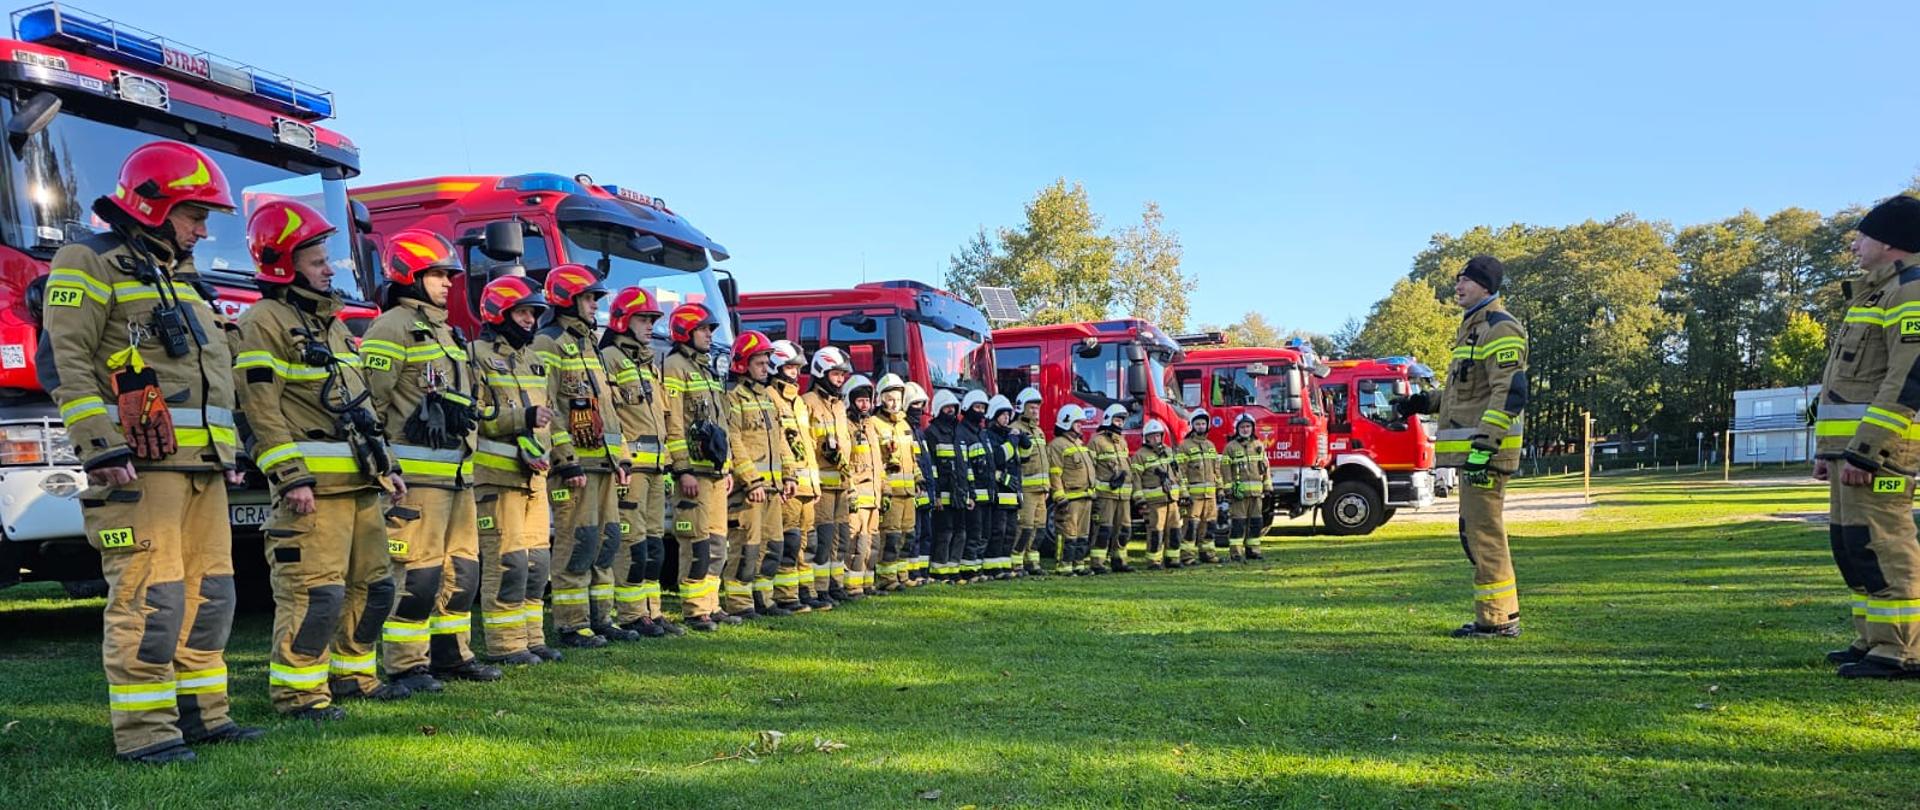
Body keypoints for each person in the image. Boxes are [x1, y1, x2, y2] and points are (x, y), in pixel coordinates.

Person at [44, 143, 258, 762]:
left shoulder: (186, 279)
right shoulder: (89, 260)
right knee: (151, 599)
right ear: (155, 206)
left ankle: (205, 717)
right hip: (138, 471)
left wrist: (231, 449)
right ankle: (146, 733)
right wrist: (99, 446)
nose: (203, 228)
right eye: (195, 214)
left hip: (203, 470)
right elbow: (67, 361)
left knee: (211, 596)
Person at [238, 200, 413, 720]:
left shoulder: (334, 327)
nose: (329, 269)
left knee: (375, 587)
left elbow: (359, 407)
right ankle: (299, 695)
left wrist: (388, 467)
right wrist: (290, 476)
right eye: (317, 261)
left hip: (360, 486)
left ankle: (355, 675)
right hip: (312, 491)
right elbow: (259, 407)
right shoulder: (262, 322)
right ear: (283, 263)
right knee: (316, 596)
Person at [362, 229, 499, 691]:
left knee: (460, 573)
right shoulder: (391, 327)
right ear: (410, 275)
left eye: (448, 275)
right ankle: (406, 665)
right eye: (438, 275)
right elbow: (371, 406)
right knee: (416, 578)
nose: (447, 284)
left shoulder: (449, 332)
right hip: (415, 482)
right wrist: (383, 471)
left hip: (458, 479)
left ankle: (450, 655)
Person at [1808, 195, 1920, 678]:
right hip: (1848, 453)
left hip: (1879, 454)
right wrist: (1828, 451)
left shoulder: (1910, 294)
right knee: (1853, 545)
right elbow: (1845, 385)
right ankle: (1873, 640)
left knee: (1884, 544)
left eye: (1862, 235)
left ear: (1891, 240)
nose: (1854, 243)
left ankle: (1903, 651)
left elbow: (1908, 379)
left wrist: (1869, 451)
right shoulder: (1874, 295)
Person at [1397, 254, 1528, 639]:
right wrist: (1422, 403)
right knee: (1475, 532)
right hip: (1476, 452)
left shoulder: (1500, 328)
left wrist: (1485, 446)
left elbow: (1510, 393)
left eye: (1466, 280)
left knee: (1484, 534)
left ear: (1486, 286)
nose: (1458, 286)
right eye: (1458, 279)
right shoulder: (1472, 329)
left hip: (1486, 453)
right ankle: (1497, 617)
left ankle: (1498, 620)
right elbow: (1464, 394)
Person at [531, 265, 634, 645]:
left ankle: (600, 618)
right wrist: (564, 458)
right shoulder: (549, 342)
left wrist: (621, 457)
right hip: (575, 467)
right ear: (568, 299)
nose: (595, 306)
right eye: (590, 298)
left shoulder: (590, 345)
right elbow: (548, 407)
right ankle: (572, 623)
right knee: (578, 542)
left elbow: (608, 410)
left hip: (603, 464)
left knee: (606, 540)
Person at [468, 276, 561, 665]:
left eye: (533, 313)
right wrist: (519, 417)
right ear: (499, 312)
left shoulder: (533, 360)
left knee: (537, 564)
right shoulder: (475, 355)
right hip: (496, 479)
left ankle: (532, 638)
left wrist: (550, 455)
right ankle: (506, 645)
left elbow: (548, 422)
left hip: (534, 479)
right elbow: (474, 413)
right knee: (508, 563)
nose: (529, 320)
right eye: (522, 312)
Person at [602, 286, 682, 636]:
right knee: (632, 545)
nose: (651, 326)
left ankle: (652, 611)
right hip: (629, 469)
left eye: (652, 319)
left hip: (654, 469)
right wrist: (620, 459)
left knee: (653, 546)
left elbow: (662, 419)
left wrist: (667, 462)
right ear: (623, 320)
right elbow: (610, 416)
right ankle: (632, 614)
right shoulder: (610, 359)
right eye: (644, 319)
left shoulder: (648, 364)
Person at [662, 302, 734, 631]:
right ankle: (694, 608)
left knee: (717, 543)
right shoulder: (675, 366)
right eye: (704, 329)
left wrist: (728, 467)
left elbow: (721, 424)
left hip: (716, 473)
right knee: (697, 544)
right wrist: (682, 469)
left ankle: (711, 603)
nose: (709, 335)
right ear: (686, 331)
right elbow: (674, 423)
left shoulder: (708, 369)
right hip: (694, 474)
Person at [721, 330, 798, 619]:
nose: (766, 369)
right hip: (750, 490)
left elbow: (780, 442)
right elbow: (734, 441)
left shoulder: (768, 398)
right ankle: (740, 603)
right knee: (747, 549)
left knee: (773, 547)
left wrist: (789, 475)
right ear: (743, 364)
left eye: (767, 363)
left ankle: (763, 598)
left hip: (774, 489)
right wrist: (751, 480)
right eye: (760, 363)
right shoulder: (733, 397)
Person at [767, 340, 829, 612]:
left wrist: (815, 483)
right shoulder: (770, 396)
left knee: (807, 543)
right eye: (789, 367)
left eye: (796, 368)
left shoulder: (800, 403)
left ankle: (805, 591)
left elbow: (808, 446)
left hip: (806, 486)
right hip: (787, 486)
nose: (794, 372)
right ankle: (786, 595)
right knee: (789, 542)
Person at [803, 348, 856, 602]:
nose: (839, 379)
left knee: (841, 538)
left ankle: (836, 585)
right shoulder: (808, 402)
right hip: (822, 484)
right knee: (822, 540)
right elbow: (805, 443)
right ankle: (820, 588)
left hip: (842, 484)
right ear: (821, 372)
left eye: (842, 375)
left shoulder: (839, 406)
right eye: (835, 374)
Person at [875, 374, 922, 591]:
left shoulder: (904, 424)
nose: (894, 403)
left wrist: (918, 479)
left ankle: (902, 575)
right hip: (891, 492)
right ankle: (887, 578)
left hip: (908, 491)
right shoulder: (875, 424)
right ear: (881, 398)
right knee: (891, 536)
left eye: (897, 399)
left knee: (907, 535)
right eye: (890, 399)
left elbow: (913, 457)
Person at [842, 375, 886, 598]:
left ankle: (868, 583)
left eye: (867, 400)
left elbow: (879, 464)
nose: (864, 405)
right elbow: (846, 463)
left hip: (874, 497)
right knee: (855, 543)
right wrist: (850, 493)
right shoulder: (846, 426)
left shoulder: (870, 426)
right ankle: (852, 586)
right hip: (858, 496)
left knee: (872, 542)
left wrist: (884, 491)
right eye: (859, 400)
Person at [926, 390, 972, 582]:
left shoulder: (958, 432)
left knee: (960, 532)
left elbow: (965, 466)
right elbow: (932, 467)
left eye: (953, 407)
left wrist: (969, 493)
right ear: (938, 409)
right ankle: (940, 571)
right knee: (944, 533)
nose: (951, 411)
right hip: (943, 494)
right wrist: (935, 494)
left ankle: (954, 570)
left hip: (960, 493)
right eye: (947, 407)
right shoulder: (932, 433)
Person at [1047, 406, 1096, 576]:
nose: (1080, 426)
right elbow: (1055, 472)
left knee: (1082, 534)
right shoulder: (1057, 445)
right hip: (1070, 498)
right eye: (1077, 422)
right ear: (1067, 422)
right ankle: (1064, 565)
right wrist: (1059, 496)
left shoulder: (1080, 444)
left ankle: (1079, 564)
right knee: (1067, 533)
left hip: (1085, 496)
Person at [1132, 419, 1184, 569]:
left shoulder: (1168, 451)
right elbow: (1136, 480)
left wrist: (1183, 494)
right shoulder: (1140, 456)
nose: (1156, 439)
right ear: (1146, 438)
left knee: (1174, 530)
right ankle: (1154, 561)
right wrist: (1140, 501)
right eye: (1152, 436)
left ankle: (1172, 559)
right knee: (1156, 532)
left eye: (1158, 436)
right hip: (1154, 502)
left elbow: (1177, 474)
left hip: (1172, 499)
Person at [1089, 403, 1134, 574]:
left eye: (1122, 420)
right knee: (1103, 529)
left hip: (1123, 496)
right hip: (1105, 495)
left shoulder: (1122, 442)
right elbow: (1091, 469)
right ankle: (1097, 562)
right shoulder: (1096, 441)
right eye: (1117, 419)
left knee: (1124, 529)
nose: (1120, 423)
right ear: (1108, 419)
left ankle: (1119, 560)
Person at [1011, 388, 1051, 576]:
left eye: (1037, 408)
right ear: (1022, 408)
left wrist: (1048, 485)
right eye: (1031, 407)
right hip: (1026, 489)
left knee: (1039, 528)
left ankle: (1032, 562)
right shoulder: (1016, 429)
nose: (1035, 411)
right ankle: (1016, 563)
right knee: (1024, 527)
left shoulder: (1040, 431)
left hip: (1041, 490)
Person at [1177, 410, 1225, 564]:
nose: (1201, 426)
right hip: (1193, 496)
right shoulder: (1184, 446)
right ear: (1192, 426)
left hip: (1210, 496)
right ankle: (1187, 556)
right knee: (1191, 526)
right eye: (1197, 424)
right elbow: (1180, 471)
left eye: (1203, 423)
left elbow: (1217, 471)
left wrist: (1220, 489)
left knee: (1210, 525)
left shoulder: (1210, 446)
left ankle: (1208, 554)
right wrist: (1184, 493)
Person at [957, 390, 995, 582]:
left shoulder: (982, 433)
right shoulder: (962, 432)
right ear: (967, 409)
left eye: (982, 408)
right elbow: (965, 466)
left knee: (984, 533)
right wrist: (969, 493)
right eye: (977, 407)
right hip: (974, 495)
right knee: (974, 533)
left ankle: (978, 568)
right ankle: (969, 570)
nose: (980, 411)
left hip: (987, 494)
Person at [1222, 414, 1270, 562]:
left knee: (1256, 523)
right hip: (1239, 494)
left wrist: (1267, 486)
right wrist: (1229, 489)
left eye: (1248, 426)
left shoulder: (1258, 445)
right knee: (1238, 523)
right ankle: (1236, 554)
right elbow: (1225, 469)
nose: (1245, 429)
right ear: (1237, 429)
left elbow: (1265, 467)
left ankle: (1253, 551)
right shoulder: (1230, 447)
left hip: (1256, 494)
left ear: (1253, 428)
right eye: (1242, 427)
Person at [984, 395, 1022, 579]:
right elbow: (998, 458)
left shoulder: (1008, 435)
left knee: (1010, 531)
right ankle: (993, 567)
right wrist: (1012, 443)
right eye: (1003, 414)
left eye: (1008, 414)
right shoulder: (988, 435)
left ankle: (1005, 566)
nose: (1007, 418)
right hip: (999, 493)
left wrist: (1023, 442)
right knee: (998, 531)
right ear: (994, 415)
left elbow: (1022, 459)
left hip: (1012, 493)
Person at [904, 383, 937, 584]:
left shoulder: (919, 431)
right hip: (913, 490)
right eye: (914, 404)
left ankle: (922, 573)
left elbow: (927, 464)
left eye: (920, 404)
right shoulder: (906, 429)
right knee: (914, 534)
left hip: (926, 490)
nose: (919, 408)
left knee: (926, 533)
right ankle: (912, 573)